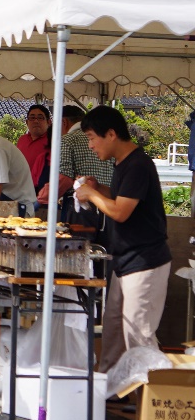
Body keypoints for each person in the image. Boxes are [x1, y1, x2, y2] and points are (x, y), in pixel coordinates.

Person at [74, 106, 172, 373]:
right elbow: (121, 198)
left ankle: (149, 405)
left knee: (138, 335)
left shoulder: (139, 164)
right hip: (124, 261)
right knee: (114, 331)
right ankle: (109, 395)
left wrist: (92, 196)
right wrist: (99, 188)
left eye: (93, 138)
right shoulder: (122, 164)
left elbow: (120, 211)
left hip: (145, 262)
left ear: (112, 134)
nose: (91, 146)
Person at [17, 104, 51, 191]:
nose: (36, 121)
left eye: (40, 118)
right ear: (27, 122)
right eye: (32, 118)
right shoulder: (22, 140)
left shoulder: (53, 141)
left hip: (43, 189)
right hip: (21, 188)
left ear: (49, 122)